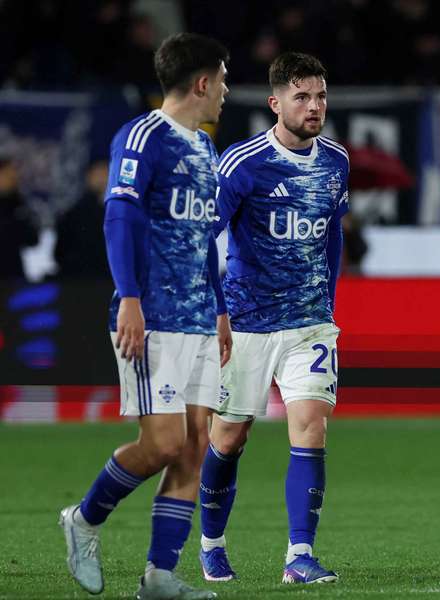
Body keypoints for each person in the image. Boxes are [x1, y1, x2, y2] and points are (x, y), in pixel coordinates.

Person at [58, 32, 231, 600]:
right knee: (160, 442)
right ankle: (83, 519)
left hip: (202, 318)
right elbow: (119, 218)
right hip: (152, 315)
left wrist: (223, 309)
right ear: (202, 82)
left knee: (194, 444)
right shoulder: (143, 136)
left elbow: (205, 237)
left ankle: (160, 574)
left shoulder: (205, 148)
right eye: (223, 80)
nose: (226, 91)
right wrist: (129, 296)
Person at [196, 51, 348, 585]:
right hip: (247, 324)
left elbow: (333, 233)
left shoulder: (336, 162)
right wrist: (216, 312)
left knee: (310, 427)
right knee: (229, 438)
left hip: (310, 324)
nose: (314, 106)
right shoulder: (242, 164)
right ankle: (211, 543)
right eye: (302, 97)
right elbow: (202, 239)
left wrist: (327, 298)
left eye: (320, 96)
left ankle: (299, 555)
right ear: (275, 102)